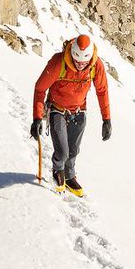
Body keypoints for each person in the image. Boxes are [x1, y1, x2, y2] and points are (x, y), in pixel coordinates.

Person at [29, 33, 111, 196]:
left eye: (84, 62)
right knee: (62, 151)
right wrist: (37, 118)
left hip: (79, 111)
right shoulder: (59, 62)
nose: (80, 65)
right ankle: (58, 171)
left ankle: (69, 175)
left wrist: (106, 119)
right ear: (72, 54)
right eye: (77, 61)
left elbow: (102, 91)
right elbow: (40, 88)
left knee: (74, 149)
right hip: (57, 109)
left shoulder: (96, 65)